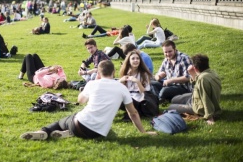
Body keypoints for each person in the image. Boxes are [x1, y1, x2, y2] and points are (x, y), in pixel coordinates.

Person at [20, 60, 157, 140]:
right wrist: (143, 132)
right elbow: (133, 113)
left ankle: (43, 131)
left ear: (98, 73)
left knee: (62, 121)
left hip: (79, 124)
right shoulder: (122, 88)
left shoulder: (92, 84)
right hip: (97, 133)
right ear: (114, 72)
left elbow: (80, 101)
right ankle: (67, 134)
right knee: (108, 130)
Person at [168, 54, 221, 125]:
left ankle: (191, 108)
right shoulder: (210, 73)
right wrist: (192, 74)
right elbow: (198, 81)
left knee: (170, 107)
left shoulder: (202, 79)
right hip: (195, 98)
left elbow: (205, 98)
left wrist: (209, 117)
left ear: (195, 68)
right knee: (174, 99)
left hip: (199, 107)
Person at [118, 51, 154, 118]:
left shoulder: (144, 74)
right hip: (127, 97)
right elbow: (121, 90)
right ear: (128, 61)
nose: (136, 60)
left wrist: (137, 82)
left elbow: (145, 93)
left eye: (137, 58)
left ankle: (134, 112)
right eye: (133, 59)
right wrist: (120, 81)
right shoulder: (125, 73)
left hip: (139, 100)